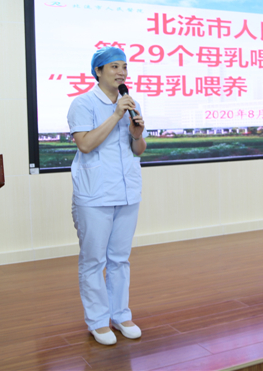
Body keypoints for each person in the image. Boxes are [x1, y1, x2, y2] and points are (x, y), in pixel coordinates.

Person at [67, 46, 148, 346]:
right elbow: (86, 144)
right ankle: (98, 321)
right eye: (114, 66)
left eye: (124, 66)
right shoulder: (83, 103)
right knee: (93, 260)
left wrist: (137, 134)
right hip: (95, 194)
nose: (122, 72)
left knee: (120, 259)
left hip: (127, 192)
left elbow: (138, 150)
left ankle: (121, 315)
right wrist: (116, 115)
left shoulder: (131, 103)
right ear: (98, 71)